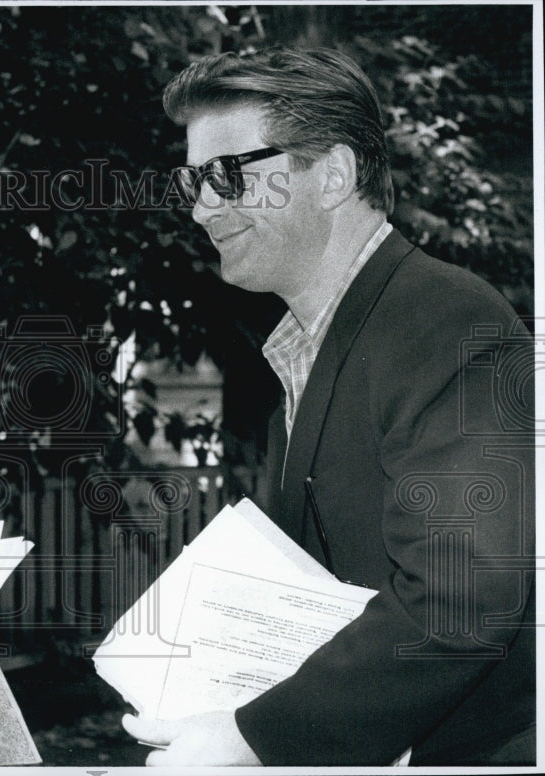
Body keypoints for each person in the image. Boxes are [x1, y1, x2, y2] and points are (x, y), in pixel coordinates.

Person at [122, 47, 535, 766]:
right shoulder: (305, 346)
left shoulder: (445, 319)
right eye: (191, 180)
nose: (199, 206)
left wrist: (253, 736)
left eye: (227, 174)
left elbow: (463, 601)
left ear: (334, 175)